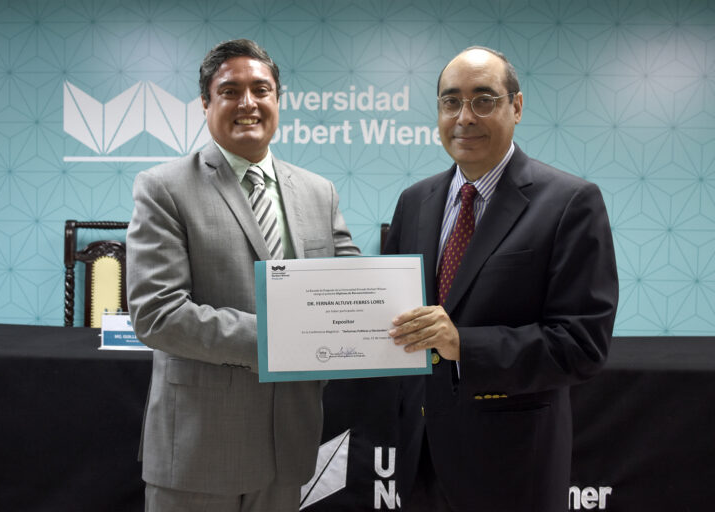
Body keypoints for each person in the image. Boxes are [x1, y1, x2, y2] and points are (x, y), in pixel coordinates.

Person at [126, 39, 359, 512]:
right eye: (230, 91)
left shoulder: (319, 192)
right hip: (200, 448)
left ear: (278, 100)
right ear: (206, 103)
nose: (248, 103)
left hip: (288, 446)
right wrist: (282, 339)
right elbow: (157, 314)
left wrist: (390, 316)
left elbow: (351, 288)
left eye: (261, 90)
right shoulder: (163, 188)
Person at [383, 46, 619, 511]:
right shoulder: (415, 200)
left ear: (517, 106)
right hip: (420, 461)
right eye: (451, 101)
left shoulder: (570, 203)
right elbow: (391, 316)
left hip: (514, 467)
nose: (464, 117)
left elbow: (582, 345)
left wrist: (463, 344)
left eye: (483, 100)